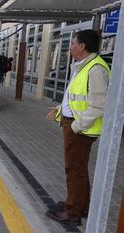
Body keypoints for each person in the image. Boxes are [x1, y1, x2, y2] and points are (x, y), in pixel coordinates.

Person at [46, 29, 110, 226]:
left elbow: (99, 105)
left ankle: (73, 211)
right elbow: (77, 97)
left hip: (82, 130)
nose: (70, 48)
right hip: (77, 126)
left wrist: (76, 126)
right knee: (78, 169)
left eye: (73, 43)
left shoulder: (95, 69)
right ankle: (80, 205)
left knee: (74, 170)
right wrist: (60, 108)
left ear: (82, 46)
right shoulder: (83, 66)